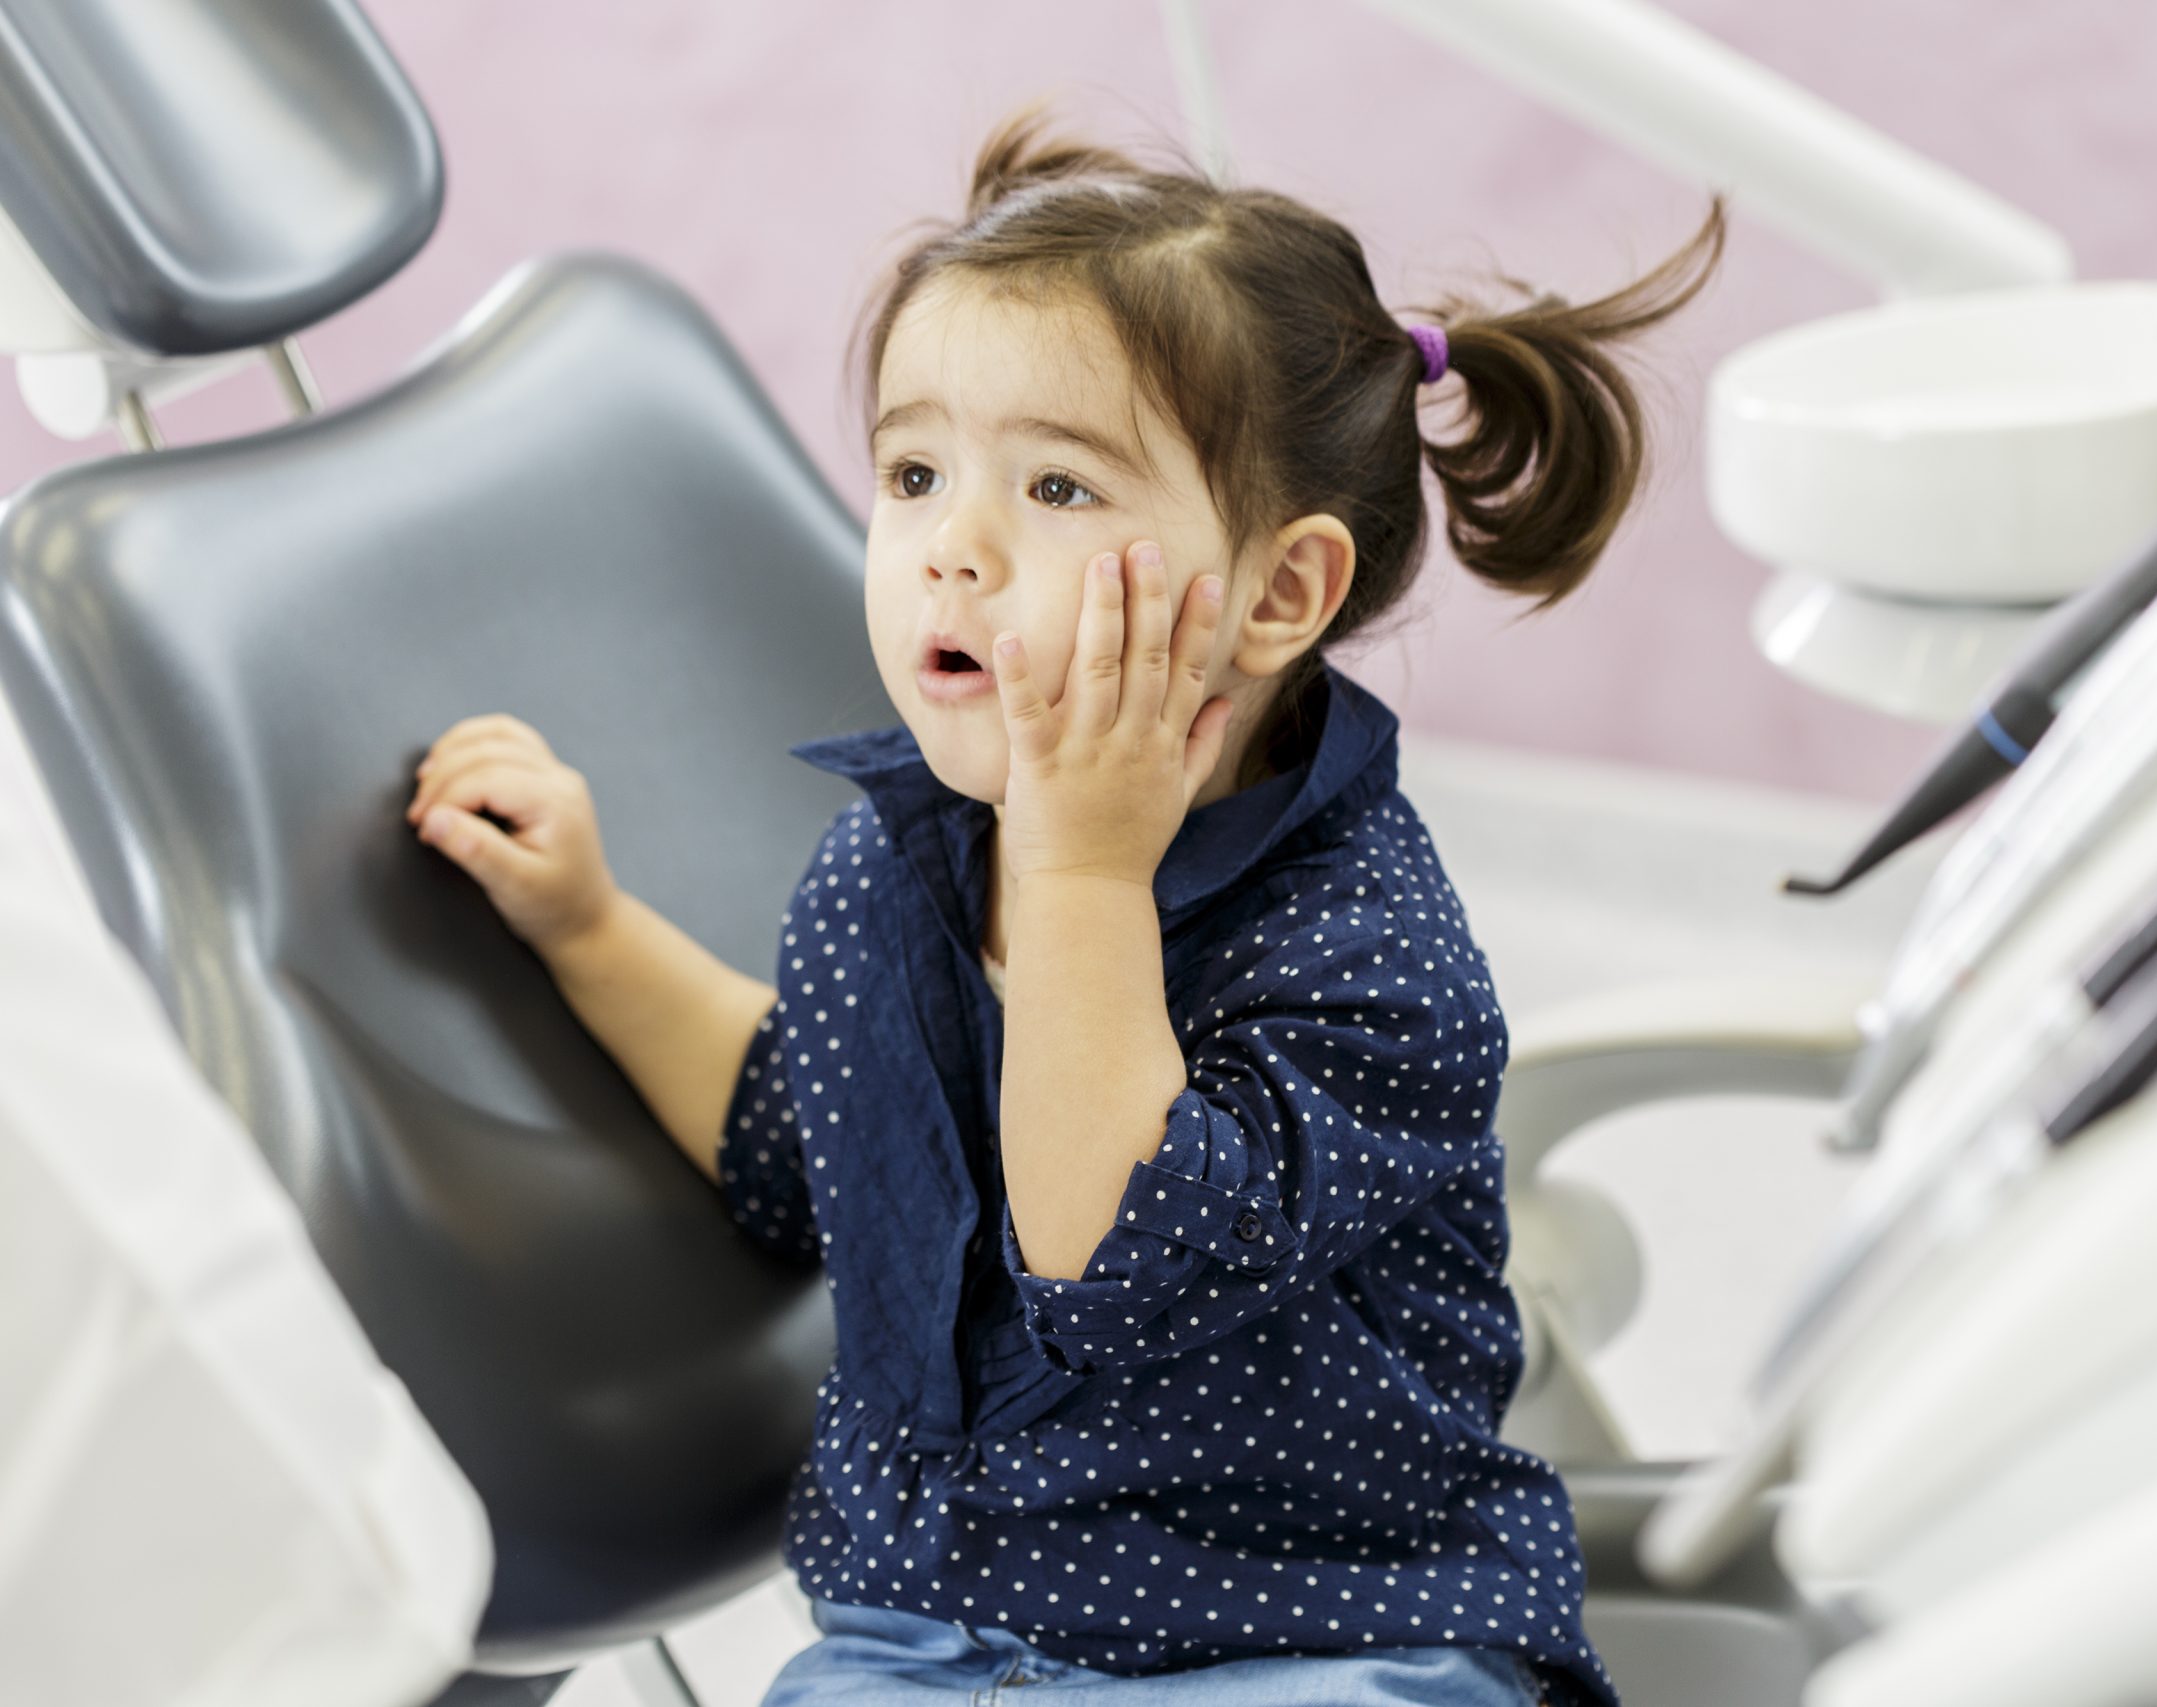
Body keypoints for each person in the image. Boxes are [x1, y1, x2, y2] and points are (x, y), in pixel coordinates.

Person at [403, 105, 1722, 1707]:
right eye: (913, 471)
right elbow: (803, 1141)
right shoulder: (892, 867)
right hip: (928, 1642)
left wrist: (1083, 872)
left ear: (1277, 593)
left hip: (1320, 1640)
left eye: (1056, 489)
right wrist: (591, 928)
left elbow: (1113, 1260)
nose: (951, 547)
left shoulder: (1367, 952)